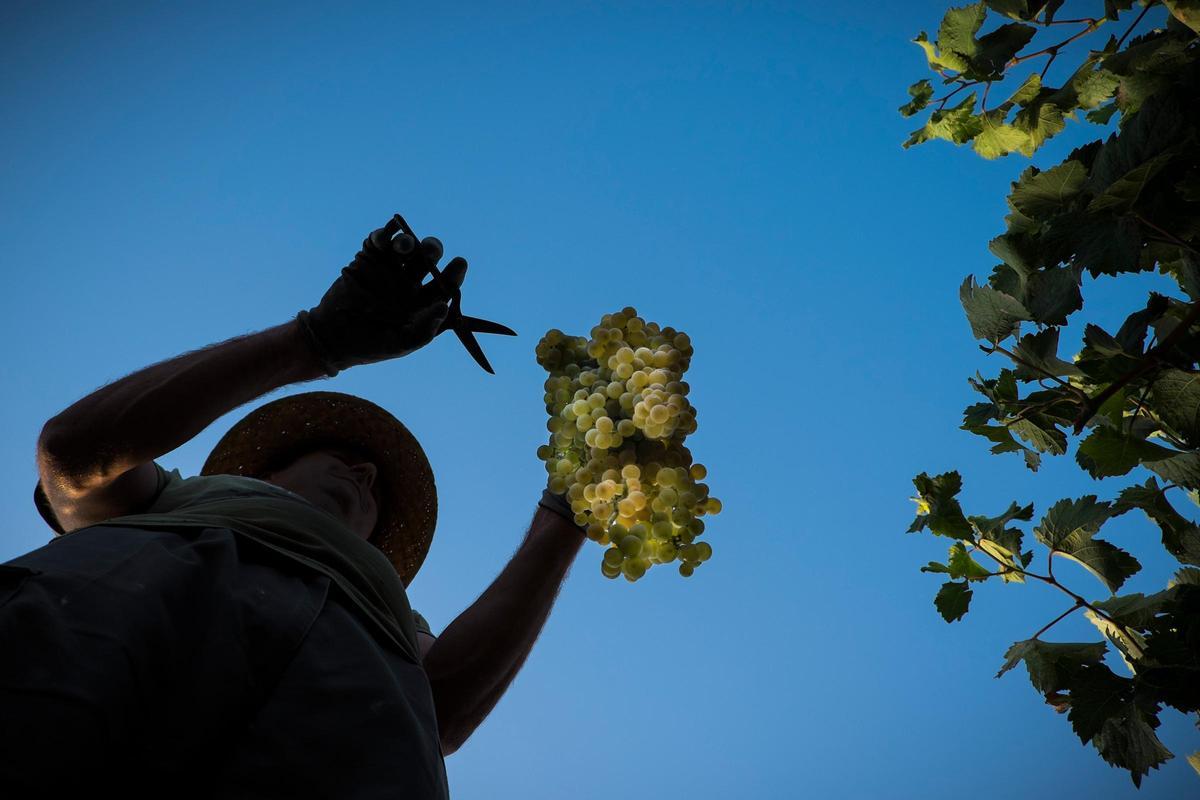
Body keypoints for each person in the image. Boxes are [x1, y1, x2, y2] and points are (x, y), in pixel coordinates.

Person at [0, 215, 587, 798]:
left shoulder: (397, 619)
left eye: (377, 493)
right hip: (84, 651)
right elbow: (72, 450)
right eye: (341, 456)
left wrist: (569, 509)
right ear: (265, 473)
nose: (366, 474)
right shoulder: (170, 500)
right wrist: (314, 340)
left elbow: (447, 711)